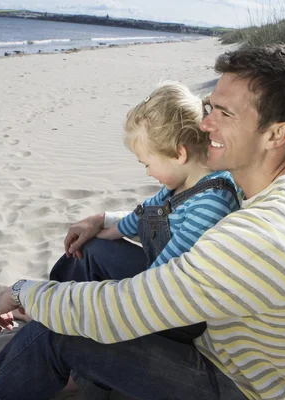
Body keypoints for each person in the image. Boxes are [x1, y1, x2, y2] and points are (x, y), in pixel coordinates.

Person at [0, 44, 285, 400]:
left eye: (225, 114)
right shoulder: (279, 184)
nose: (205, 125)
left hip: (236, 384)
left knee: (60, 334)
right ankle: (54, 360)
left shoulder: (256, 237)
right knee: (95, 253)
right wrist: (105, 220)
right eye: (209, 107)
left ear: (276, 134)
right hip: (224, 333)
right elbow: (175, 205)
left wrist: (22, 291)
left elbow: (118, 312)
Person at [51, 81, 240, 345]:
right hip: (161, 282)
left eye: (148, 163)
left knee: (96, 260)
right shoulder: (182, 182)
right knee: (92, 248)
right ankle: (58, 302)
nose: (148, 172)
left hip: (182, 312)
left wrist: (114, 294)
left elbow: (166, 279)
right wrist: (103, 226)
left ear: (178, 153)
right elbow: (145, 215)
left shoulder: (211, 203)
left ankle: (61, 318)